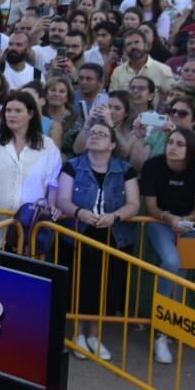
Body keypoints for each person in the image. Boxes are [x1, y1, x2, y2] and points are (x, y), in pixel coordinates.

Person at [54, 122, 141, 361]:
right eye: (92, 133)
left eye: (102, 135)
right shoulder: (73, 166)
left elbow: (134, 203)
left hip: (114, 233)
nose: (95, 137)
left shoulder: (125, 169)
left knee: (107, 286)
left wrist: (115, 216)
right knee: (80, 283)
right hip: (79, 231)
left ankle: (95, 335)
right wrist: (79, 211)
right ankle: (78, 334)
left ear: (113, 144)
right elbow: (62, 199)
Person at [138, 126, 195, 363]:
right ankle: (162, 331)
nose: (173, 147)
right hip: (160, 221)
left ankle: (171, 327)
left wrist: (185, 222)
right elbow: (151, 207)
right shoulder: (153, 166)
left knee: (182, 271)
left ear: (190, 149)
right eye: (171, 142)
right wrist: (170, 219)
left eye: (180, 144)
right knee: (171, 262)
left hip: (190, 224)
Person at [0, 89, 63, 250]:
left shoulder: (48, 146)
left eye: (18, 111)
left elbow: (53, 181)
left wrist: (52, 204)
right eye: (8, 110)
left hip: (26, 228)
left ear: (30, 114)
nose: (11, 115)